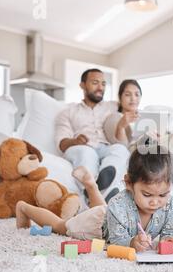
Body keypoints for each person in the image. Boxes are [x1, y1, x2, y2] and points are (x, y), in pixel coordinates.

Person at [15, 144, 173, 253]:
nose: (155, 202)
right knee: (60, 225)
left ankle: (91, 185)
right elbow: (115, 242)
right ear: (129, 184)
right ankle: (24, 208)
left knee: (106, 208)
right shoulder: (118, 204)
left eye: (163, 194)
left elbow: (170, 232)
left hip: (111, 214)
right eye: (147, 195)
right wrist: (132, 242)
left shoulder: (170, 205)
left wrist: (170, 241)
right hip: (97, 226)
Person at [55, 69, 130, 201]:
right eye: (95, 82)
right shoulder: (68, 112)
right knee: (86, 153)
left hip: (106, 147)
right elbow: (61, 143)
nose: (100, 87)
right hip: (82, 146)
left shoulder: (113, 106)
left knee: (120, 149)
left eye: (103, 84)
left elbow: (131, 107)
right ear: (82, 85)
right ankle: (91, 192)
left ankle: (105, 186)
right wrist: (75, 141)